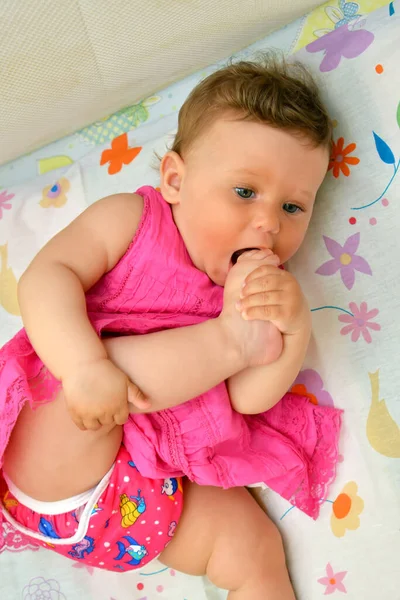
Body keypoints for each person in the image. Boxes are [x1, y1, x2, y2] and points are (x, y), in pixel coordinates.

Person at [0, 55, 342, 599]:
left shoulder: (256, 293)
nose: (269, 223)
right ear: (176, 180)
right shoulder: (133, 222)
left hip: (140, 504)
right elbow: (46, 277)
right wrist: (83, 367)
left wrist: (292, 327)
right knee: (101, 372)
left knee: (252, 547)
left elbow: (247, 400)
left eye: (295, 206)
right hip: (57, 444)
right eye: (246, 192)